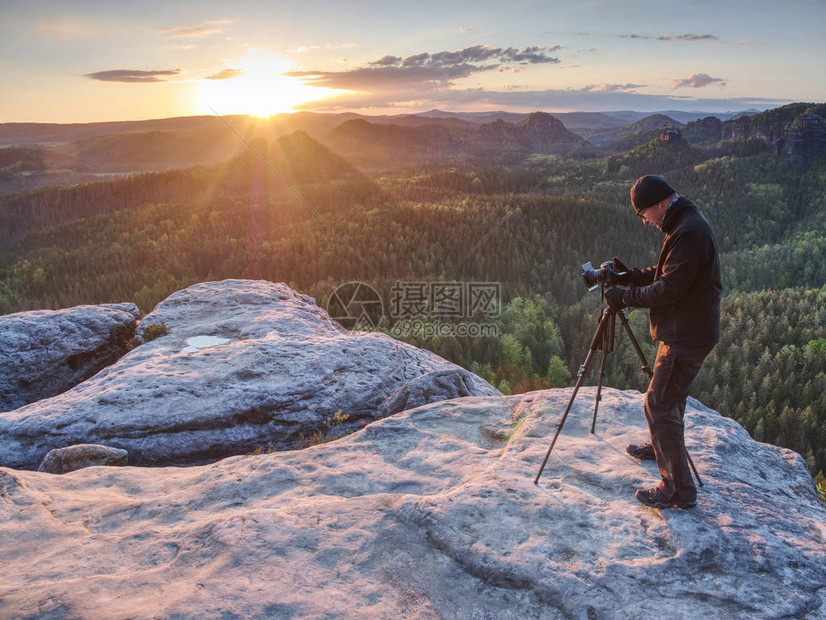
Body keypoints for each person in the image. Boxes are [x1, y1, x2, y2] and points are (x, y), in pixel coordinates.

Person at [603, 175, 722, 509]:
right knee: (670, 399)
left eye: (644, 213)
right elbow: (667, 273)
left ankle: (677, 491)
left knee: (659, 404)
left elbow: (670, 288)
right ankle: (661, 448)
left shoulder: (687, 231)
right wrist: (631, 275)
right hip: (685, 330)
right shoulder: (684, 222)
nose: (644, 220)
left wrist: (626, 297)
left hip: (687, 334)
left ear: (658, 203)